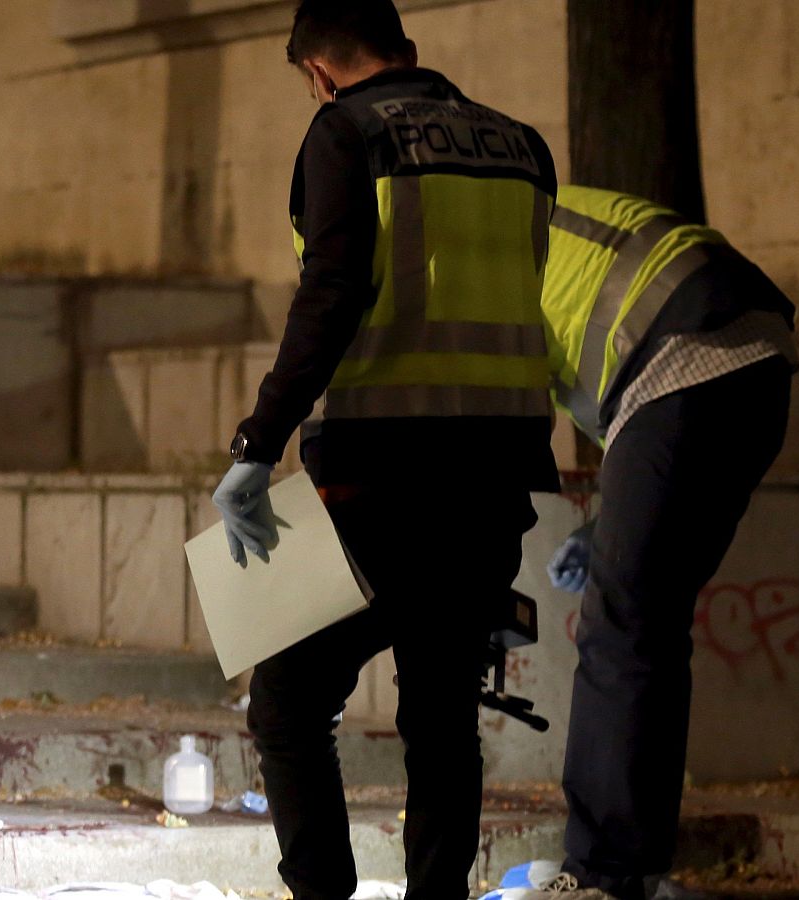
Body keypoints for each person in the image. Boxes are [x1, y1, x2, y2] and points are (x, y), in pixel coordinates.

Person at [209, 2, 560, 899]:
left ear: (319, 71)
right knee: (441, 717)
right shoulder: (520, 145)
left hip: (382, 477)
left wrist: (257, 443)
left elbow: (330, 291)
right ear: (403, 47)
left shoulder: (345, 134)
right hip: (494, 479)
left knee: (286, 704)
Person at [536, 186, 799, 900]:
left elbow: (495, 429)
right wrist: (603, 526)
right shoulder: (518, 205)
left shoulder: (460, 259)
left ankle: (603, 873)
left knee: (621, 627)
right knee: (646, 620)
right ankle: (637, 870)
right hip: (754, 354)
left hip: (682, 356)